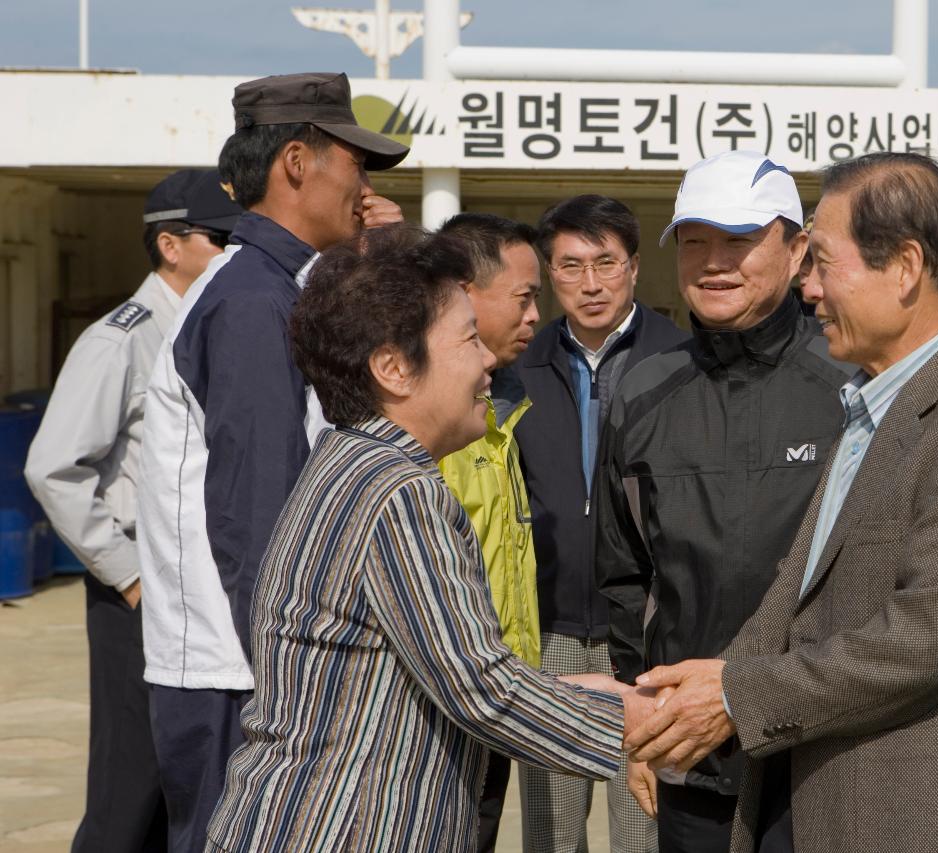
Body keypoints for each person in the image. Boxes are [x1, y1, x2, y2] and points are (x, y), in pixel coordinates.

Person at [626, 152, 938, 853]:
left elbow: (921, 641)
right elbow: (789, 603)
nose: (810, 289)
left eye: (823, 262)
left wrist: (735, 695)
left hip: (924, 819)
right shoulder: (869, 406)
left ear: (906, 266)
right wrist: (684, 709)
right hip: (812, 801)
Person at [203, 224, 650, 853]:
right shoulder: (397, 492)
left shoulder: (350, 462)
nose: (489, 359)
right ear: (394, 368)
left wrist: (576, 692)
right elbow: (480, 690)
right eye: (468, 338)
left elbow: (432, 670)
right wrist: (643, 725)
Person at [135, 72, 407, 852]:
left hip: (239, 663)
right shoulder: (254, 300)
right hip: (238, 674)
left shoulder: (269, 285)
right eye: (355, 165)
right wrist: (297, 681)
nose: (364, 189)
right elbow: (258, 516)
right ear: (297, 161)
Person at [595, 151, 851, 851]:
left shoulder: (854, 387)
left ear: (798, 250)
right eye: (695, 240)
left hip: (824, 756)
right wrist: (644, 725)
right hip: (692, 763)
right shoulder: (643, 392)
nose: (714, 261)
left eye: (739, 239)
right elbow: (625, 580)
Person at [23, 169, 240, 853]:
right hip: (139, 590)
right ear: (171, 245)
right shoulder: (124, 338)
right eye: (220, 238)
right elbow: (53, 466)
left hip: (198, 588)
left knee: (187, 778)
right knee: (130, 783)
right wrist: (128, 576)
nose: (233, 252)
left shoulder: (212, 325)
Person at [516, 194, 686, 853]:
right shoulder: (515, 365)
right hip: (547, 628)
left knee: (641, 824)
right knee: (550, 831)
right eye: (571, 266)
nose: (591, 283)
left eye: (606, 263)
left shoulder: (679, 360)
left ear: (636, 267)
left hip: (643, 635)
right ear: (550, 272)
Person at [433, 212, 543, 853]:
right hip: (446, 703)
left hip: (493, 697)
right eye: (524, 299)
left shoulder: (506, 400)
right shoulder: (429, 418)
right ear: (464, 295)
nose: (535, 317)